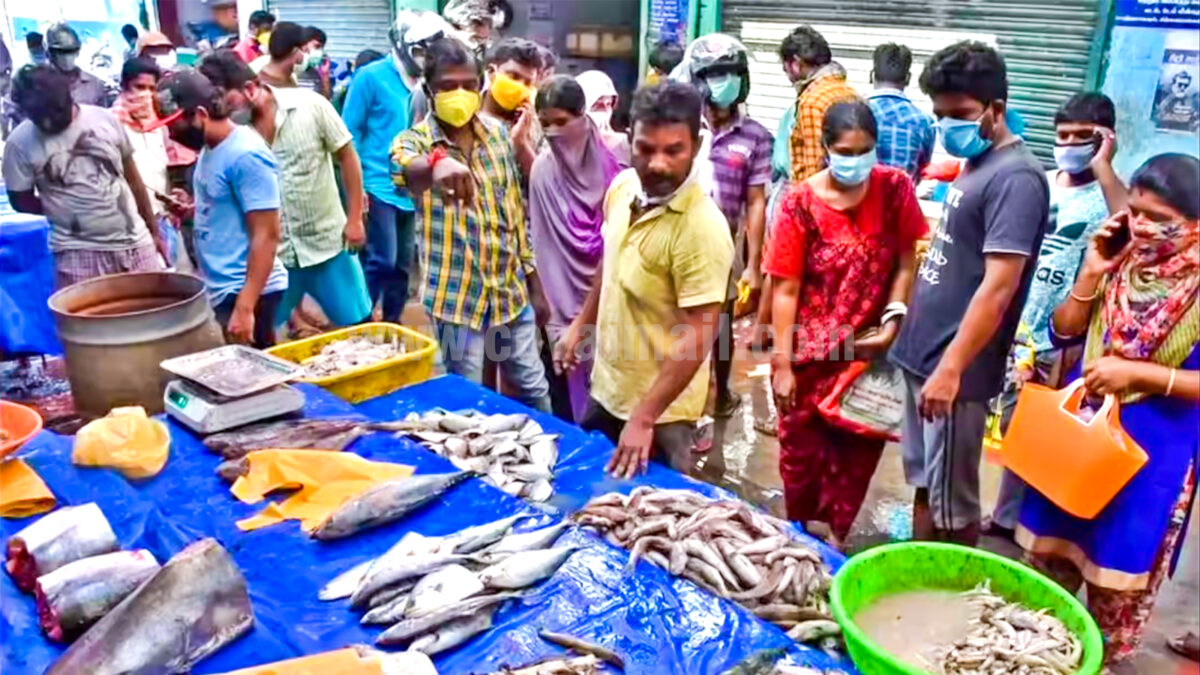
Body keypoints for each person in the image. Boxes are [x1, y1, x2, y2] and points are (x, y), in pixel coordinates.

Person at [1017, 153, 1200, 665]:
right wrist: (1092, 271)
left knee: (1116, 588)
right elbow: (1064, 329)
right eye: (1136, 212)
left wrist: (1142, 374)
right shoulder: (1118, 259)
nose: (1142, 227)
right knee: (1040, 588)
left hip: (1150, 454)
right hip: (1077, 437)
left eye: (1160, 220)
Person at [887, 41, 1050, 546]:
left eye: (958, 114)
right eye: (939, 115)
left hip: (954, 372)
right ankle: (914, 580)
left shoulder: (1018, 178)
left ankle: (956, 606)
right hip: (925, 358)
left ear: (997, 109)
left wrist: (952, 368)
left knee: (954, 509)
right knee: (924, 487)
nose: (946, 128)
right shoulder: (977, 165)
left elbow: (998, 287)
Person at [555, 81, 733, 478]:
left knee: (650, 518)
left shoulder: (701, 228)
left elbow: (700, 334)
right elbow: (612, 260)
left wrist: (646, 418)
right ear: (630, 139)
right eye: (646, 149)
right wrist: (580, 324)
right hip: (608, 388)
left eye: (674, 151)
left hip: (663, 415)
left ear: (696, 145)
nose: (658, 164)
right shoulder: (623, 187)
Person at [768, 101, 926, 546]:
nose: (855, 160)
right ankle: (798, 538)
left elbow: (904, 263)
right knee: (800, 460)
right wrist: (781, 365)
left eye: (865, 150)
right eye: (845, 150)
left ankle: (836, 539)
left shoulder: (894, 189)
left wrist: (893, 320)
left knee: (854, 459)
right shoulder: (800, 203)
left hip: (867, 357)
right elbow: (785, 288)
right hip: (808, 358)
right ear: (825, 148)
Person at [987, 92, 1127, 538]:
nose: (1068, 144)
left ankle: (1032, 524)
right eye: (1062, 135)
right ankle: (1008, 517)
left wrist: (1104, 166)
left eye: (1081, 137)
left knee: (1050, 432)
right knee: (1015, 427)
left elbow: (1130, 224)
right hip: (1019, 326)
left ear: (1104, 139)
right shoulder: (1041, 182)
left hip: (1064, 334)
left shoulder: (1108, 196)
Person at [390, 37, 551, 412]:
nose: (459, 94)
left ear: (480, 86)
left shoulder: (498, 137)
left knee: (532, 389)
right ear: (429, 91)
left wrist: (534, 283)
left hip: (509, 295)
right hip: (456, 302)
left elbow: (514, 215)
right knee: (468, 403)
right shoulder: (414, 142)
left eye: (467, 84)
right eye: (447, 86)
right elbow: (402, 168)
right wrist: (435, 165)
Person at [200, 50, 370, 331]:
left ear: (250, 88)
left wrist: (354, 218)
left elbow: (348, 157)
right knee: (261, 341)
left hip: (327, 244)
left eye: (225, 102)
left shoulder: (311, 105)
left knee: (361, 329)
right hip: (273, 262)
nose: (223, 112)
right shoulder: (229, 138)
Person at [157, 67, 288, 347]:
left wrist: (245, 307)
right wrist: (193, 209)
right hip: (225, 286)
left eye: (174, 125)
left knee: (255, 379)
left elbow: (267, 234)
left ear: (201, 115)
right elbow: (227, 210)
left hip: (246, 288)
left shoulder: (246, 155)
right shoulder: (210, 148)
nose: (171, 133)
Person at [3, 65, 164, 288]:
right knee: (90, 320)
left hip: (134, 243)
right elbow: (20, 200)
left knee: (152, 314)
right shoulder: (19, 145)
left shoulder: (104, 120)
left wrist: (154, 231)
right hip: (76, 254)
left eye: (57, 112)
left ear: (69, 97)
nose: (50, 122)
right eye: (42, 118)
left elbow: (133, 180)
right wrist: (66, 209)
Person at [686, 33, 772, 418]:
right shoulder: (683, 125)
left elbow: (756, 201)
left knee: (719, 326)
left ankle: (720, 396)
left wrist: (754, 265)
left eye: (731, 73)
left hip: (723, 249)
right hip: (679, 241)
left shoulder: (755, 136)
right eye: (717, 73)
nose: (726, 81)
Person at [343, 12, 447, 324]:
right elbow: (349, 134)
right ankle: (361, 319)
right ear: (403, 46)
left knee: (403, 264)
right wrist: (356, 188)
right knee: (381, 260)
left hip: (411, 187)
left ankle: (392, 321)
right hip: (376, 182)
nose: (425, 59)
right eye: (420, 51)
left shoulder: (428, 84)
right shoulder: (371, 77)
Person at [530, 75, 621, 422]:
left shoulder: (618, 164)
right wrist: (552, 312)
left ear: (582, 116)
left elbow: (620, 240)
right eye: (545, 124)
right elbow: (543, 247)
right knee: (567, 403)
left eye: (562, 122)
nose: (553, 132)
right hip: (560, 305)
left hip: (610, 299)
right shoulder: (542, 172)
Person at [110, 57, 195, 272]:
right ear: (124, 87)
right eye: (139, 87)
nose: (145, 95)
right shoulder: (111, 125)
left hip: (163, 218)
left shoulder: (159, 125)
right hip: (130, 224)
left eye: (151, 88)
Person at [781, 26, 858, 182]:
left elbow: (814, 168)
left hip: (820, 199)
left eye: (785, 69)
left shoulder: (812, 102)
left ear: (795, 64)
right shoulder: (852, 94)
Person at [867, 43, 935, 182]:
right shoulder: (925, 122)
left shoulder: (853, 112)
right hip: (904, 201)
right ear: (908, 78)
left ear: (872, 75)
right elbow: (923, 169)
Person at [479, 38, 541, 175]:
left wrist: (521, 144)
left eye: (527, 83)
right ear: (491, 71)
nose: (520, 87)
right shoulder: (468, 115)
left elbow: (544, 184)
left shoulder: (535, 125)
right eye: (513, 77)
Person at [44, 23, 110, 107]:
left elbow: (102, 116)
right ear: (50, 53)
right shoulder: (39, 86)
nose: (66, 57)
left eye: (71, 51)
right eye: (61, 52)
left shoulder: (95, 84)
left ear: (77, 51)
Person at [576, 69, 631, 165]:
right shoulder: (564, 146)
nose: (605, 111)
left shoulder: (622, 144)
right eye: (598, 105)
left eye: (609, 104)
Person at [254, 21, 307, 88]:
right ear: (294, 50)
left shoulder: (288, 77)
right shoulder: (265, 87)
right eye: (304, 50)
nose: (305, 55)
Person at [296, 27, 333, 99]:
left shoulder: (316, 74)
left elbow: (325, 100)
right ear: (303, 45)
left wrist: (325, 76)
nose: (320, 51)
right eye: (317, 46)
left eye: (322, 48)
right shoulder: (288, 70)